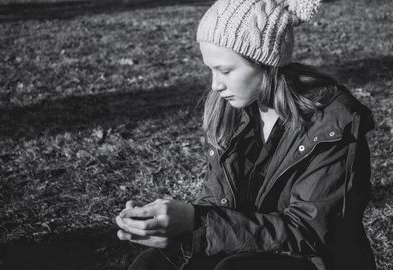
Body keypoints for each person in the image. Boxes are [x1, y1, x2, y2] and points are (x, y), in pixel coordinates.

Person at [115, 0, 377, 269]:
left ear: (266, 63)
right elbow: (218, 201)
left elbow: (311, 232)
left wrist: (198, 221)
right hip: (242, 248)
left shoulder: (331, 123)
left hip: (312, 259)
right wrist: (175, 227)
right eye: (210, 69)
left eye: (225, 70)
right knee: (152, 264)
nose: (215, 85)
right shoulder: (230, 110)